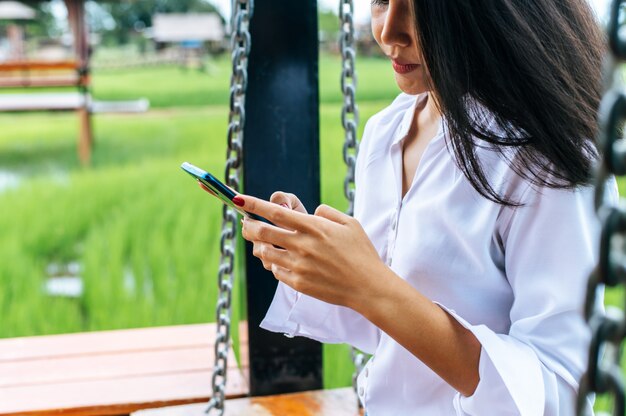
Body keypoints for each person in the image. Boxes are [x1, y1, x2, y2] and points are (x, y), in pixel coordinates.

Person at [237, 0, 614, 414]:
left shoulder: (545, 157)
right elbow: (391, 326)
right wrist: (319, 258)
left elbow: (558, 393)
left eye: (424, 9)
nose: (388, 32)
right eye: (382, 1)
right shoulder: (385, 132)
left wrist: (371, 284)